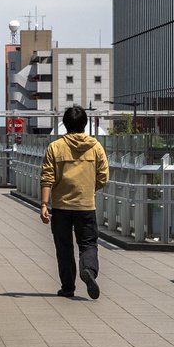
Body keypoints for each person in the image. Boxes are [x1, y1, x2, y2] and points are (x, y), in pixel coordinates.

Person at [40, 105, 109, 300]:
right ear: (85, 124)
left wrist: (44, 204)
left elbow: (47, 177)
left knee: (64, 247)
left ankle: (68, 287)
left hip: (61, 206)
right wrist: (88, 189)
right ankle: (88, 269)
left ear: (66, 125)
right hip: (85, 205)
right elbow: (103, 176)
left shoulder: (55, 147)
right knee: (88, 244)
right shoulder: (95, 147)